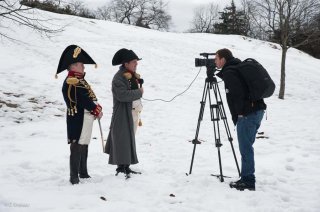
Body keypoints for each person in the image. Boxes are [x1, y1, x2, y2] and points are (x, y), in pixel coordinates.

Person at [215, 48, 266, 191]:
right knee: (247, 147)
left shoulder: (230, 72)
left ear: (223, 59)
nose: (215, 62)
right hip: (257, 110)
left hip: (248, 114)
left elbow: (238, 94)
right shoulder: (237, 67)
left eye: (216, 59)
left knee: (245, 148)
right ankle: (247, 176)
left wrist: (241, 114)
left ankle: (248, 180)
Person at [56, 45, 103, 185]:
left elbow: (88, 96)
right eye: (82, 65)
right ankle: (74, 177)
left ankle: (83, 172)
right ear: (74, 66)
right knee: (77, 145)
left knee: (84, 144)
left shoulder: (79, 79)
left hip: (85, 116)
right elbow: (82, 99)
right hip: (78, 118)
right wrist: (95, 109)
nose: (84, 67)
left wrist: (96, 107)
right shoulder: (73, 81)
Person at [105, 48, 144, 177]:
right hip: (122, 114)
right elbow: (122, 95)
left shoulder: (130, 75)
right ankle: (121, 168)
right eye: (134, 62)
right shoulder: (118, 78)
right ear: (126, 64)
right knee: (122, 140)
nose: (136, 64)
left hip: (132, 113)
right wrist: (139, 92)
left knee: (128, 139)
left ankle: (126, 166)